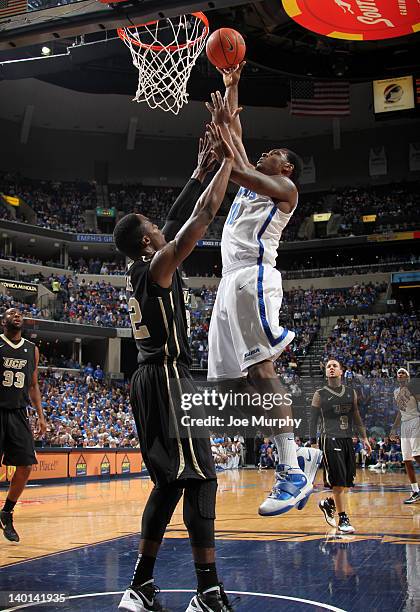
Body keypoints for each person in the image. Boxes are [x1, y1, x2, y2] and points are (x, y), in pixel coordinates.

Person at [113, 124, 237, 612]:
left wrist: (198, 168)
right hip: (167, 377)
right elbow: (201, 217)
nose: (161, 228)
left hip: (149, 379)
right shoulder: (160, 265)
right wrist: (227, 158)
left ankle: (141, 584)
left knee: (170, 483)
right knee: (201, 477)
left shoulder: (141, 266)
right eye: (154, 229)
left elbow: (176, 214)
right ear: (148, 243)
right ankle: (207, 591)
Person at [206, 67, 321, 516]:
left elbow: (236, 162)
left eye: (275, 153)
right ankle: (300, 454)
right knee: (232, 382)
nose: (266, 154)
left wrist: (227, 138)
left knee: (262, 370)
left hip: (253, 276)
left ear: (287, 168)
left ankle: (292, 469)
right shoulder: (253, 173)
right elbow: (234, 136)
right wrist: (231, 82)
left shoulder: (283, 189)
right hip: (228, 282)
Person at [0, 308, 46, 542]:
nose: (16, 315)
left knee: (26, 465)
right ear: (3, 322)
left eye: (19, 313)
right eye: (11, 313)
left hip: (18, 412)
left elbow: (33, 384)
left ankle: (6, 512)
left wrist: (40, 415)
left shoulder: (31, 349)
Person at [310, 359, 371, 534]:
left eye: (334, 366)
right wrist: (314, 443)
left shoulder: (350, 393)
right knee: (338, 481)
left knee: (346, 481)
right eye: (328, 366)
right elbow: (313, 420)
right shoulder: (320, 393)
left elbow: (357, 417)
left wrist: (364, 438)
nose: (331, 368)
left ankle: (328, 503)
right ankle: (343, 519)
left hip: (346, 439)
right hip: (329, 439)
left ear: (341, 371)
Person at [390, 367, 420, 504]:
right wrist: (393, 428)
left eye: (403, 373)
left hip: (415, 420)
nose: (400, 374)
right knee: (407, 460)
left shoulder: (412, 388)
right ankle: (415, 491)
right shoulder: (396, 392)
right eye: (399, 373)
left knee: (417, 455)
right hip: (404, 424)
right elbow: (400, 411)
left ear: (407, 377)